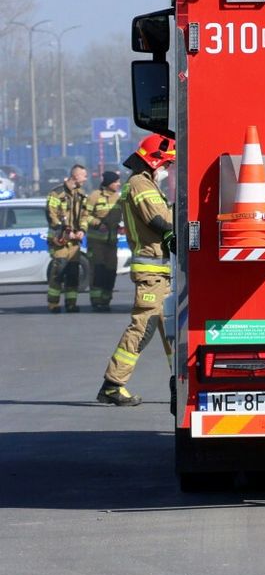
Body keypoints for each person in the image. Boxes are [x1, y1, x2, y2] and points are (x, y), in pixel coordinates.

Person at [97, 136, 175, 406]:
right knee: (143, 327)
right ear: (155, 160)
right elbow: (160, 220)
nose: (168, 169)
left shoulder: (145, 182)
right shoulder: (140, 183)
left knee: (172, 330)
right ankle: (112, 385)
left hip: (161, 273)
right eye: (167, 164)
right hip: (152, 274)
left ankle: (180, 382)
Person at [44, 163, 91, 313]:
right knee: (59, 271)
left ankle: (71, 303)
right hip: (60, 241)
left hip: (75, 242)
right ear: (76, 176)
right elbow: (51, 216)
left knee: (73, 273)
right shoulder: (56, 193)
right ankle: (53, 304)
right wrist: (65, 230)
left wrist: (82, 230)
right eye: (84, 175)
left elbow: (85, 215)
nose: (86, 178)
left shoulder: (81, 194)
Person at [82, 169, 125, 312]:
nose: (118, 184)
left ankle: (106, 300)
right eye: (116, 182)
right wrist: (97, 224)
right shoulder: (95, 196)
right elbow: (84, 216)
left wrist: (120, 227)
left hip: (112, 243)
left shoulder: (119, 198)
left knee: (110, 272)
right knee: (98, 271)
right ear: (108, 183)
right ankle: (96, 300)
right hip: (96, 243)